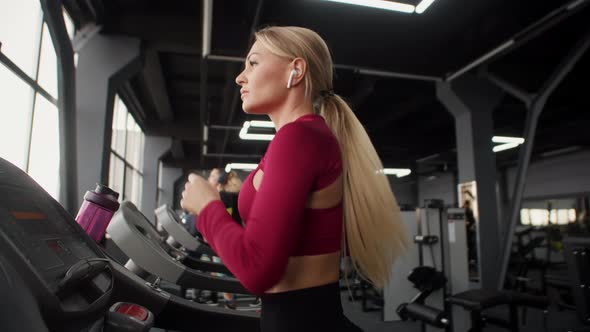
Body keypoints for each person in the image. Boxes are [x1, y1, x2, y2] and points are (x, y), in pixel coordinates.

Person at [181, 26, 407, 332]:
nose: (240, 76)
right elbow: (259, 245)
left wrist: (207, 208)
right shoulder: (291, 141)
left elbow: (258, 270)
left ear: (296, 70)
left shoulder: (298, 138)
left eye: (254, 63)